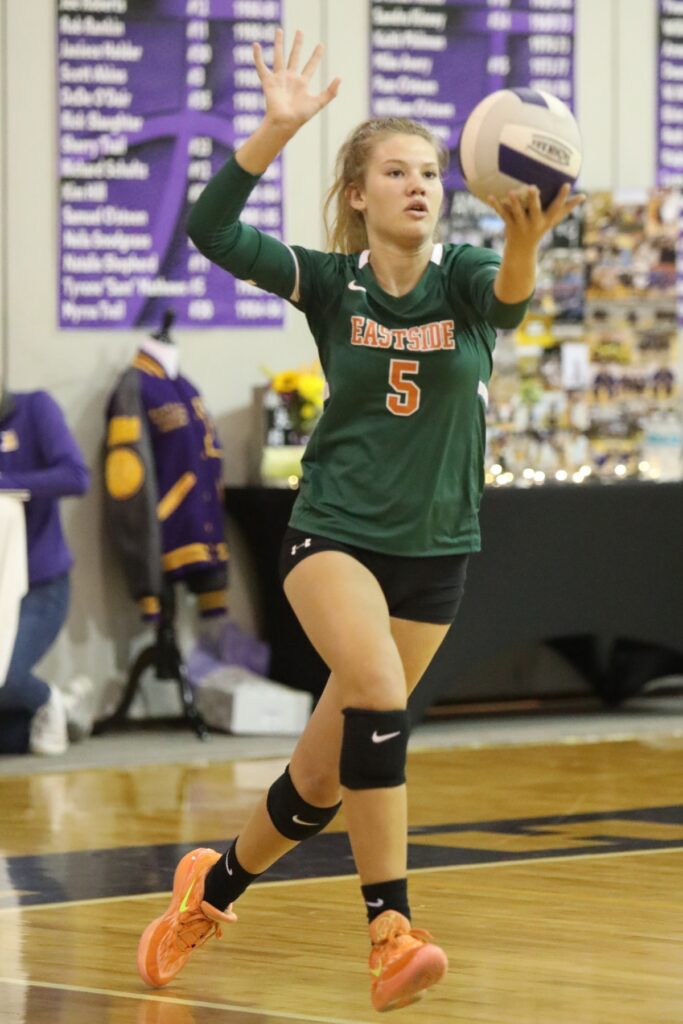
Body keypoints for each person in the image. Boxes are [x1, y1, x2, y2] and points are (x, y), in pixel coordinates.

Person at [136, 30, 584, 1012]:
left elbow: (508, 311)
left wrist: (521, 241)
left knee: (321, 779)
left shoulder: (463, 273)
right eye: (394, 171)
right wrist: (273, 130)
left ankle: (206, 894)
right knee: (376, 688)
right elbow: (210, 233)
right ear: (357, 194)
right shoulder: (330, 285)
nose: (417, 184)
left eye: (429, 170)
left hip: (437, 554)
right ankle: (389, 928)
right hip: (332, 534)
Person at [0, 388, 93, 755]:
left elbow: (75, 476)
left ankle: (47, 697)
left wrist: (5, 484)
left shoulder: (33, 408)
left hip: (39, 584)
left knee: (3, 677)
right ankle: (65, 711)